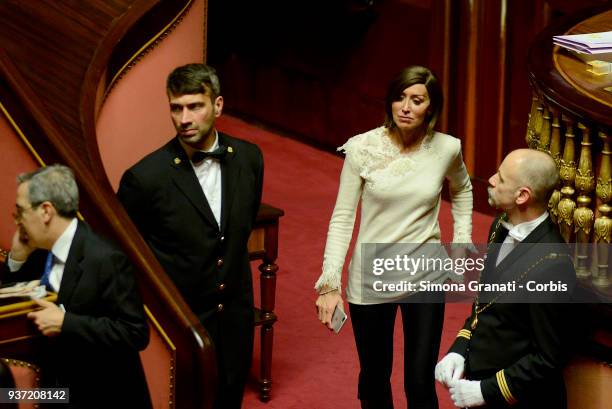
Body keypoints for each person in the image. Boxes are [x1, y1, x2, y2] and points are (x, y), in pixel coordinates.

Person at [315, 65, 474, 408]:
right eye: (399, 98)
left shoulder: (447, 149)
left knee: (419, 383)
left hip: (426, 274)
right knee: (374, 378)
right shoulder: (361, 148)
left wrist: (461, 241)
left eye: (416, 100)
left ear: (430, 108)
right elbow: (343, 218)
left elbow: (462, 190)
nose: (405, 107)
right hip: (372, 276)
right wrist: (330, 281)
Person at [118, 63, 264, 409]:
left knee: (230, 398)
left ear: (217, 105)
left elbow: (238, 230)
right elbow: (126, 258)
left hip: (235, 314)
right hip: (182, 321)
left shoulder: (249, 158)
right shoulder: (145, 178)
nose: (184, 118)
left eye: (194, 106)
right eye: (176, 107)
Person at [435, 149, 577, 408]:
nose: (490, 180)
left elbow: (548, 357)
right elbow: (485, 308)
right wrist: (459, 350)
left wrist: (486, 391)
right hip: (478, 387)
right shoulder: (500, 225)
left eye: (500, 179)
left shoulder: (552, 265)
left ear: (522, 195)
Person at [2, 165, 151, 409]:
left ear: (46, 211)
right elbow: (13, 302)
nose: (18, 221)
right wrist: (17, 258)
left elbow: (135, 333)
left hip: (101, 395)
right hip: (57, 392)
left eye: (21, 211)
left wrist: (66, 323)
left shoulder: (105, 258)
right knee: (3, 397)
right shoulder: (38, 252)